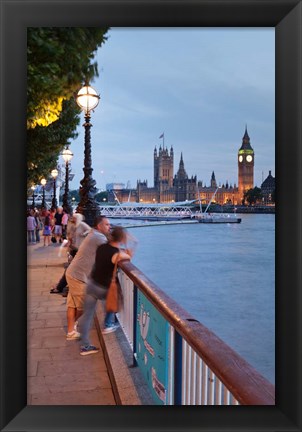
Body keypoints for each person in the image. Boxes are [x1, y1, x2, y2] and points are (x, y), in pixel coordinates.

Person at [78, 226, 135, 356]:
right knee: (117, 297)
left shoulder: (102, 247)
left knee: (87, 315)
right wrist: (128, 249)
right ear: (121, 239)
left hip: (92, 284)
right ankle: (109, 323)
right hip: (103, 288)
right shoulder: (117, 254)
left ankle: (85, 345)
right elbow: (128, 257)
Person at [64, 216, 111, 340]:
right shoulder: (99, 237)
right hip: (79, 276)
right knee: (83, 306)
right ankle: (73, 331)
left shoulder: (93, 233)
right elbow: (111, 251)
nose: (109, 227)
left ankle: (70, 331)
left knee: (73, 304)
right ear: (99, 226)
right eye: (107, 225)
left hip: (73, 272)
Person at [49, 213, 91, 294]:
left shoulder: (82, 225)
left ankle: (60, 287)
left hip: (79, 250)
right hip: (73, 249)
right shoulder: (73, 226)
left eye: (75, 218)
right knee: (70, 269)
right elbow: (70, 236)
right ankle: (62, 286)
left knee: (70, 269)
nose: (73, 219)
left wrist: (84, 234)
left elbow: (90, 230)